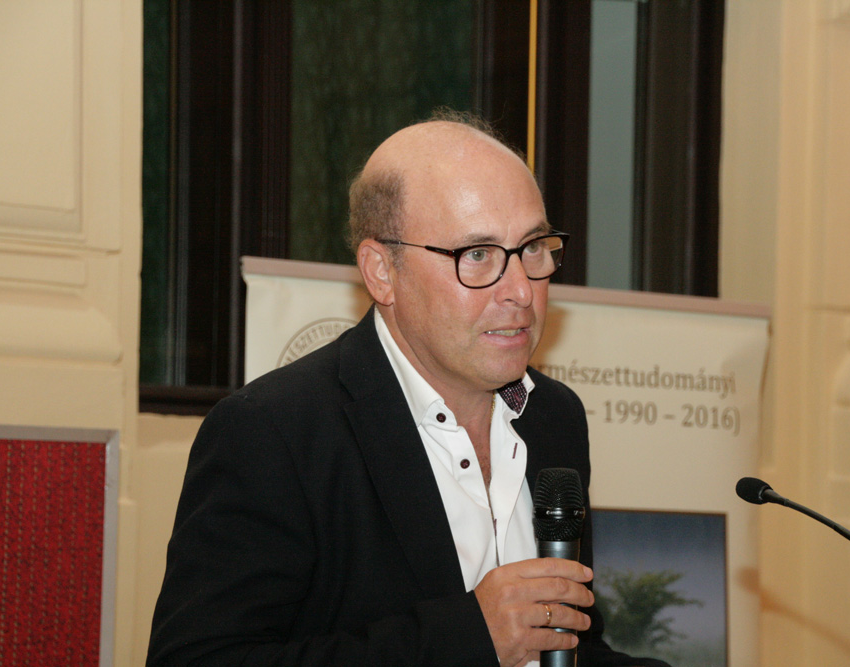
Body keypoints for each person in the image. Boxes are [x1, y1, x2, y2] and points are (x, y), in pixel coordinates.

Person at [147, 112, 671, 667]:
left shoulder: (554, 416)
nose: (521, 290)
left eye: (534, 248)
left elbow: (568, 645)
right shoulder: (274, 433)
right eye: (477, 255)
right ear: (381, 271)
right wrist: (470, 637)